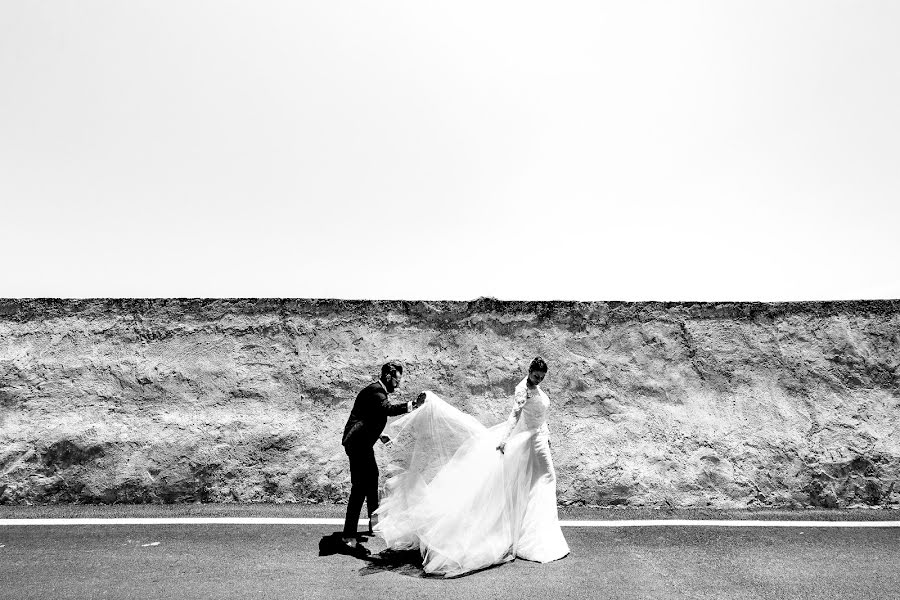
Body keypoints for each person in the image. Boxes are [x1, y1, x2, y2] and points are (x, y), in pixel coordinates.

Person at [373, 356, 569, 577]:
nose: (538, 380)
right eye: (535, 376)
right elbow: (515, 415)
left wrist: (547, 433)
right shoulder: (522, 389)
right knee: (545, 479)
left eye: (541, 378)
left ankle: (532, 534)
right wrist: (504, 439)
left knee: (536, 483)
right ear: (529, 371)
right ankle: (534, 539)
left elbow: (542, 416)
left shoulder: (537, 389)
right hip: (527, 440)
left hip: (538, 439)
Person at [340, 360, 426, 556]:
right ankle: (348, 535)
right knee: (359, 487)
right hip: (356, 444)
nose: (398, 385)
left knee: (372, 477)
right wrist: (413, 405)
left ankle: (374, 521)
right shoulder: (376, 392)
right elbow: (387, 409)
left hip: (363, 442)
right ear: (388, 377)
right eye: (396, 381)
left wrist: (380, 435)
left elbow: (368, 415)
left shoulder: (376, 392)